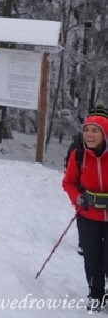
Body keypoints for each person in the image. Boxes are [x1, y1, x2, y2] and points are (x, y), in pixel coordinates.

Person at [63, 108, 108, 312]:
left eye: (95, 130)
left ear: (105, 134)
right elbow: (68, 182)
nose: (89, 134)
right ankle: (96, 295)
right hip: (88, 215)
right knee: (91, 259)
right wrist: (78, 198)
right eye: (87, 130)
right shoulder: (79, 155)